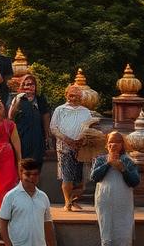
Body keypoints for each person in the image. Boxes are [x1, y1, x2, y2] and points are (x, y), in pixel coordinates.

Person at [50, 83, 95, 211]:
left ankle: (73, 200)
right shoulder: (60, 110)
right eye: (71, 95)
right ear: (66, 95)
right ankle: (67, 202)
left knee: (81, 179)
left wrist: (82, 139)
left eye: (76, 96)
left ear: (81, 98)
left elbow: (89, 128)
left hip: (81, 148)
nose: (73, 98)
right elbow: (53, 128)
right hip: (65, 147)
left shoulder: (85, 111)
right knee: (67, 176)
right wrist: (67, 139)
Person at [92, 131, 141, 246]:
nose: (113, 145)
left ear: (122, 145)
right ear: (106, 144)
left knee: (123, 236)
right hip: (105, 204)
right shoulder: (100, 160)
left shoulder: (128, 161)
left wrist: (123, 169)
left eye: (117, 142)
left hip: (123, 205)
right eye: (110, 142)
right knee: (107, 236)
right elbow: (94, 177)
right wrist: (108, 163)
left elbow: (135, 181)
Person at [0, 158, 56, 246]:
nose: (32, 178)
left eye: (35, 174)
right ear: (20, 174)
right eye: (28, 174)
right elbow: (2, 222)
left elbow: (48, 224)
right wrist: (8, 244)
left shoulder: (43, 197)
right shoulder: (11, 196)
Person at [9, 73, 51, 172]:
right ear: (22, 86)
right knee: (23, 164)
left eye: (32, 84)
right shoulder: (17, 99)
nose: (29, 87)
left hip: (37, 136)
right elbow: (10, 116)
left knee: (36, 163)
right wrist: (18, 99)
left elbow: (45, 116)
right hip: (22, 137)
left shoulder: (40, 99)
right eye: (26, 84)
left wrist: (47, 135)